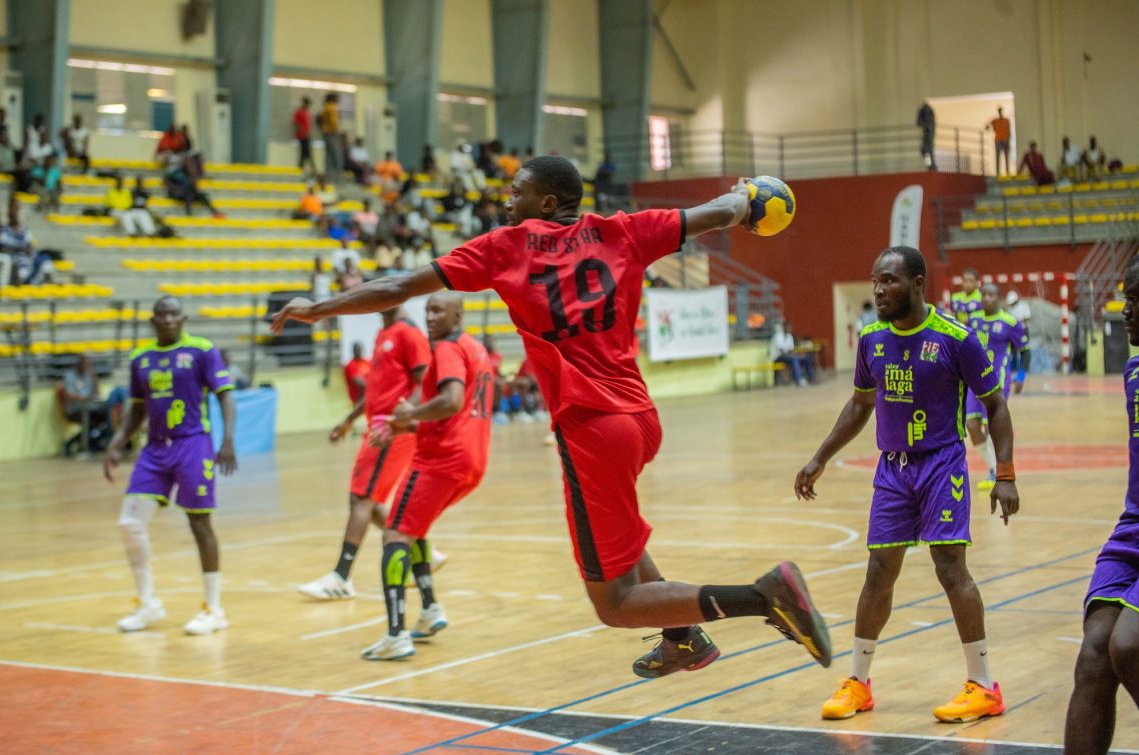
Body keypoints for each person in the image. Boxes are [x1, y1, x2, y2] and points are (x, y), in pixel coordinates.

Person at [272, 155, 833, 677]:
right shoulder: (625, 230)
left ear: (545, 203)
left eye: (516, 192)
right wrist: (746, 195)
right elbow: (721, 212)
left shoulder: (505, 247)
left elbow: (398, 286)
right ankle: (682, 638)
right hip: (638, 417)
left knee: (615, 604)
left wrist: (318, 308)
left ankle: (764, 597)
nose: (506, 200)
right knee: (619, 536)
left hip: (591, 426)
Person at [795, 246, 1018, 723]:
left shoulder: (956, 338)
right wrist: (820, 457)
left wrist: (1004, 474)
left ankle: (984, 685)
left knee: (950, 568)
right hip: (892, 469)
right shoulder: (871, 339)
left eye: (889, 281)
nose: (878, 290)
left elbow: (996, 404)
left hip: (941, 463)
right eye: (875, 280)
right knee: (879, 571)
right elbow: (860, 405)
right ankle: (858, 683)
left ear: (917, 284)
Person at [359, 292, 492, 659]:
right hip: (471, 459)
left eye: (439, 311)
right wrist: (400, 426)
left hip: (440, 460)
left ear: (458, 315)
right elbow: (456, 415)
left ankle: (395, 635)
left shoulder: (448, 348)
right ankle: (430, 609)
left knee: (394, 534)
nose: (431, 317)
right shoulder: (475, 348)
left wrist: (409, 415)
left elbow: (451, 401)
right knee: (414, 528)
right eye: (428, 310)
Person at [103, 296, 237, 635]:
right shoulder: (140, 358)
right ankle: (147, 604)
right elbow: (136, 409)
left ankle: (214, 610)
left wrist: (227, 440)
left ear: (183, 319)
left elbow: (224, 395)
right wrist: (116, 444)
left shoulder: (202, 350)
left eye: (173, 313)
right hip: (154, 448)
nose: (167, 319)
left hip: (193, 444)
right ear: (153, 321)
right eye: (161, 314)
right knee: (130, 523)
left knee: (199, 523)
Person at [1062, 255, 1139, 755]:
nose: (1125, 310)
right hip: (1133, 529)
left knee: (1128, 644)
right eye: (1126, 298)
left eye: (1137, 301)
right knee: (1094, 653)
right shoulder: (1133, 372)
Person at [298, 304, 431, 601]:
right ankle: (421, 549)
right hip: (377, 429)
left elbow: (426, 384)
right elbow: (374, 390)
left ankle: (341, 577)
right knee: (365, 500)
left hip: (391, 431)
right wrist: (348, 420)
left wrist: (400, 419)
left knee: (362, 498)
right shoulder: (385, 333)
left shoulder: (408, 333)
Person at [964, 283, 1029, 490]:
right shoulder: (973, 320)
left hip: (997, 381)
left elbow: (1025, 350)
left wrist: (1021, 376)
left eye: (991, 295)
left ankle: (995, 472)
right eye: (983, 295)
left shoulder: (1010, 322)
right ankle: (993, 467)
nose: (986, 298)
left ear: (999, 298)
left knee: (990, 425)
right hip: (973, 380)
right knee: (971, 424)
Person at [770, 321, 815, 386]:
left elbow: (791, 350)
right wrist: (794, 356)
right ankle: (798, 380)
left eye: (790, 327)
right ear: (783, 327)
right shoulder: (778, 336)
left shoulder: (789, 336)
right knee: (794, 359)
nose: (789, 329)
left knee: (806, 358)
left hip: (787, 356)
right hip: (777, 357)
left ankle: (811, 378)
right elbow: (782, 352)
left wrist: (799, 355)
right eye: (787, 327)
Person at [320, 93, 342, 181]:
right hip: (331, 132)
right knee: (335, 153)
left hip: (326, 132)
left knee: (328, 154)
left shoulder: (326, 107)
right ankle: (336, 173)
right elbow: (333, 122)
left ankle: (328, 173)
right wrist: (337, 130)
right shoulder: (332, 107)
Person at [292, 96, 315, 175]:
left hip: (306, 135)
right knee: (305, 153)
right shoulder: (299, 112)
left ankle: (303, 168)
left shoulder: (307, 112)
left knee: (306, 153)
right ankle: (307, 169)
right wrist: (300, 130)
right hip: (302, 135)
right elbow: (296, 123)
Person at [985, 107, 1011, 176]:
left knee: (1006, 156)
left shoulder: (1006, 120)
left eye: (1001, 111)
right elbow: (987, 126)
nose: (1000, 113)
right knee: (998, 156)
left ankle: (1007, 171)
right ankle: (998, 172)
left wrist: (1008, 141)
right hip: (998, 140)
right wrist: (988, 127)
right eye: (999, 111)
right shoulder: (995, 121)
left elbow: (1009, 131)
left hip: (1005, 140)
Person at [916, 102, 936, 171]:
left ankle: (931, 166)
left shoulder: (929, 112)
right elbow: (919, 122)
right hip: (927, 135)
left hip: (928, 136)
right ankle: (930, 165)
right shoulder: (925, 111)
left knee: (927, 152)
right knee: (926, 152)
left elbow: (920, 122)